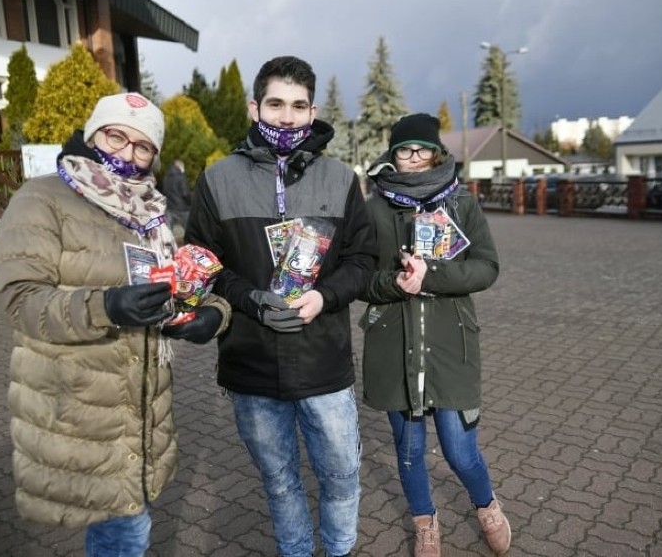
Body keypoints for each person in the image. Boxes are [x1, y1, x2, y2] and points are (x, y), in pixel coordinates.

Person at [0, 92, 231, 556]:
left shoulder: (151, 214)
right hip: (80, 406)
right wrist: (108, 307)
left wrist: (212, 316)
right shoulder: (42, 197)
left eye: (142, 147)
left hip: (141, 412)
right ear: (91, 133)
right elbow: (22, 302)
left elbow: (182, 284)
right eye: (116, 136)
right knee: (125, 531)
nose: (126, 153)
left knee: (124, 525)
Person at [185, 56, 377, 557]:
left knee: (341, 476)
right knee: (280, 482)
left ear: (312, 112)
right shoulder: (218, 179)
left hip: (324, 361)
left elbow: (362, 258)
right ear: (255, 107)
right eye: (276, 104)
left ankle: (339, 551)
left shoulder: (341, 177)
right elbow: (202, 262)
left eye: (298, 106)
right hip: (251, 361)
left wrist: (324, 296)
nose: (287, 117)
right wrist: (248, 298)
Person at [361, 113, 510, 557]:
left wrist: (432, 276)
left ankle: (486, 506)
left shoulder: (461, 203)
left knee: (460, 450)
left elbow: (487, 267)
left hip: (452, 345)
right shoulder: (374, 209)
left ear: (437, 153)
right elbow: (359, 279)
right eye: (403, 150)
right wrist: (394, 283)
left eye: (422, 149)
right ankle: (426, 524)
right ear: (392, 156)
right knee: (408, 451)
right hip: (393, 345)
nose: (413, 158)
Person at [162, 158, 191, 232]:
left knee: (168, 231)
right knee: (190, 230)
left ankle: (167, 243)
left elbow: (165, 191)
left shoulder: (166, 177)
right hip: (182, 208)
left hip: (170, 208)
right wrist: (190, 203)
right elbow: (185, 194)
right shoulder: (181, 177)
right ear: (180, 166)